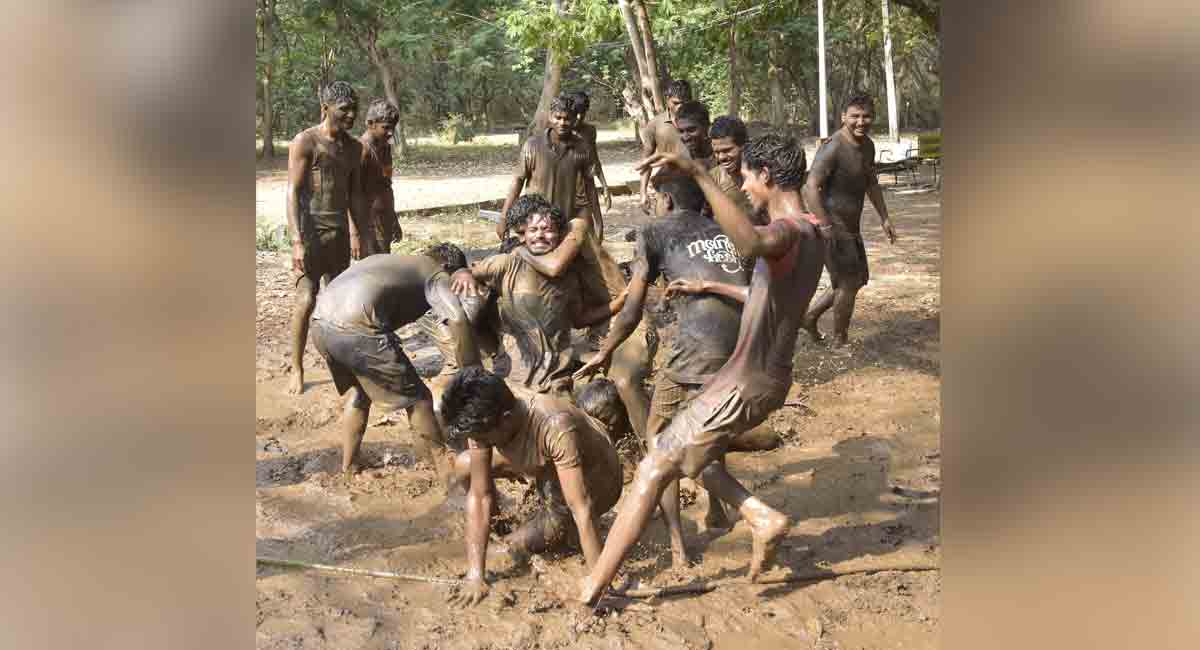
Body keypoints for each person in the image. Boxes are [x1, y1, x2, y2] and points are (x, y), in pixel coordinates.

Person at [576, 134, 831, 605]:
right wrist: (709, 285)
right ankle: (759, 515)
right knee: (690, 458)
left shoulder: (787, 232)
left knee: (653, 465)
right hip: (771, 377)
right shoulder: (816, 230)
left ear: (767, 177)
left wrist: (696, 171)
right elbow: (765, 296)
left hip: (742, 381)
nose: (745, 188)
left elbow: (753, 242)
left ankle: (592, 588)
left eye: (747, 179)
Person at [575, 172, 752, 568]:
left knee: (659, 444)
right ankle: (717, 512)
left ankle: (679, 547)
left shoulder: (654, 230)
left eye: (655, 198)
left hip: (697, 349)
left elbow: (633, 309)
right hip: (740, 345)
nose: (653, 204)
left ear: (666, 200)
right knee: (706, 427)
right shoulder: (722, 229)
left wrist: (606, 350)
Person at [442, 367, 623, 607]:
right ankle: (501, 524)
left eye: (482, 438)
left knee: (510, 550)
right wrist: (475, 574)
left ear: (505, 420)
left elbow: (582, 507)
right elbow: (479, 493)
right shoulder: (488, 413)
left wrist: (600, 584)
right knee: (465, 465)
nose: (478, 442)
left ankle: (556, 532)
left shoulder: (554, 425)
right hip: (545, 461)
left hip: (598, 477)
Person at [309, 243, 481, 481]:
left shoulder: (399, 263)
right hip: (356, 330)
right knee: (420, 400)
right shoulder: (436, 272)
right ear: (449, 267)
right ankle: (440, 473)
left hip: (320, 325)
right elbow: (457, 318)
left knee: (361, 394)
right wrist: (473, 373)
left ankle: (349, 466)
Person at [456, 195, 625, 397]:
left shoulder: (569, 276)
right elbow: (465, 273)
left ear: (559, 236)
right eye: (534, 230)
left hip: (556, 376)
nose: (540, 235)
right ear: (522, 235)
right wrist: (462, 273)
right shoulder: (506, 263)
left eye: (548, 230)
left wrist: (620, 302)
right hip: (513, 374)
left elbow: (580, 319)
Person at [285, 81, 372, 395]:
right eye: (344, 109)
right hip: (310, 235)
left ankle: (341, 364)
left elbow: (355, 197)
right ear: (325, 108)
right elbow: (293, 193)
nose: (351, 115)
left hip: (338, 236)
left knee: (338, 305)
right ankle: (296, 367)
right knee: (306, 300)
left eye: (354, 109)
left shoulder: (354, 149)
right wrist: (296, 240)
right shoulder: (306, 142)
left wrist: (359, 234)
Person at [801, 94, 898, 347]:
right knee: (848, 283)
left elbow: (871, 183)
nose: (860, 121)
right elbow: (810, 188)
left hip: (851, 227)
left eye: (866, 116)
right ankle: (840, 340)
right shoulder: (832, 146)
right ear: (843, 116)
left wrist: (885, 218)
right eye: (854, 116)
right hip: (832, 225)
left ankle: (809, 317)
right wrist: (825, 225)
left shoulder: (868, 146)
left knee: (853, 281)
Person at [496, 94, 599, 242]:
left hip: (563, 224)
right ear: (550, 117)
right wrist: (504, 218)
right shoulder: (532, 145)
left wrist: (598, 222)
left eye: (567, 118)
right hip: (534, 226)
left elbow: (590, 187)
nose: (562, 122)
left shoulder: (582, 148)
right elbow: (517, 181)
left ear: (574, 119)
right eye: (558, 118)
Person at [638, 79, 692, 214]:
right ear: (667, 99)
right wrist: (643, 193)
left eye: (684, 103)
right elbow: (647, 161)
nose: (680, 107)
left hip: (695, 187)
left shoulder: (697, 123)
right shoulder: (655, 125)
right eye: (676, 103)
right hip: (667, 190)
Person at [359, 98, 402, 254]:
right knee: (371, 271)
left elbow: (386, 185)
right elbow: (351, 194)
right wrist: (355, 232)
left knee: (384, 265)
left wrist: (393, 218)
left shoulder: (385, 149)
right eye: (386, 128)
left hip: (384, 219)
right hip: (367, 224)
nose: (390, 133)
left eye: (393, 128)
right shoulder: (362, 151)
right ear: (371, 124)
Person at [569, 91, 612, 235]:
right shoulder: (561, 133)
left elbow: (595, 160)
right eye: (576, 113)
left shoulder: (589, 131)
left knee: (598, 228)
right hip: (567, 188)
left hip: (588, 185)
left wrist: (605, 187)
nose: (580, 117)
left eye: (583, 113)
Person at [708, 115, 756, 217]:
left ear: (744, 145)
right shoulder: (712, 180)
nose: (721, 157)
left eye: (727, 150)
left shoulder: (761, 176)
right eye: (717, 152)